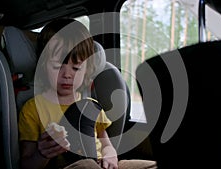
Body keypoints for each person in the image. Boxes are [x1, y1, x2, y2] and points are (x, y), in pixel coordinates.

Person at [18, 18, 157, 169]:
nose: (67, 75)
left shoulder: (91, 105)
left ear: (86, 70)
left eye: (76, 68)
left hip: (101, 165)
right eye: (57, 66)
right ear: (43, 66)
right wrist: (42, 153)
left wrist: (110, 154)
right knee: (87, 165)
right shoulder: (33, 109)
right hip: (71, 165)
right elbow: (26, 163)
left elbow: (106, 144)